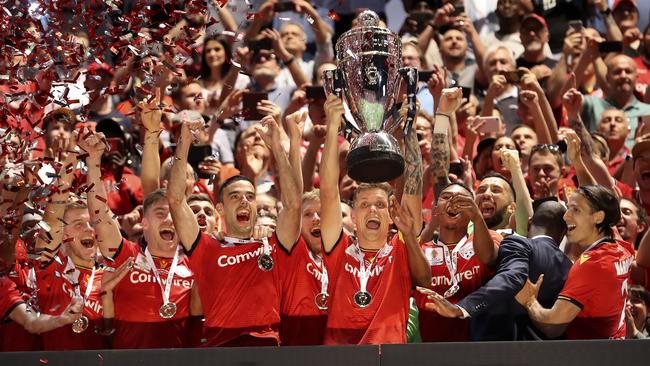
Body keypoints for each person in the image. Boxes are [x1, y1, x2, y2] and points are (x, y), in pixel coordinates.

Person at [167, 112, 302, 347]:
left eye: (250, 196)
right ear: (219, 207)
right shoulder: (206, 247)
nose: (243, 201)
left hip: (266, 344)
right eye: (235, 196)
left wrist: (277, 148)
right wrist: (185, 141)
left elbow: (293, 204)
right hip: (220, 348)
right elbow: (176, 200)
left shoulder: (272, 245)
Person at [318, 88, 431, 344]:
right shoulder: (338, 247)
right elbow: (327, 191)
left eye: (380, 205)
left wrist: (409, 128)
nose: (372, 210)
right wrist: (332, 125)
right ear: (354, 214)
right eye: (365, 204)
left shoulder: (401, 247)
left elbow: (425, 280)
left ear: (391, 215)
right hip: (341, 359)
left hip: (390, 356)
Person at [80, 129, 201, 349]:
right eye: (160, 214)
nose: (169, 221)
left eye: (174, 215)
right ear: (143, 222)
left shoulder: (196, 264)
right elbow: (99, 213)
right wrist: (93, 161)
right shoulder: (126, 256)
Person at [420, 200, 573, 340]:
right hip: (550, 352)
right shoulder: (570, 266)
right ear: (563, 233)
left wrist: (461, 308)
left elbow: (511, 278)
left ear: (529, 224)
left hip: (501, 350)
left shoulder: (517, 243)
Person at [516, 186, 634, 339]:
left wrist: (529, 301)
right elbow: (602, 201)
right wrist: (579, 163)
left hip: (589, 357)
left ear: (598, 217)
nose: (565, 217)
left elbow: (552, 325)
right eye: (568, 208)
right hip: (616, 351)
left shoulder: (592, 264)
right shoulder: (623, 248)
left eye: (576, 210)